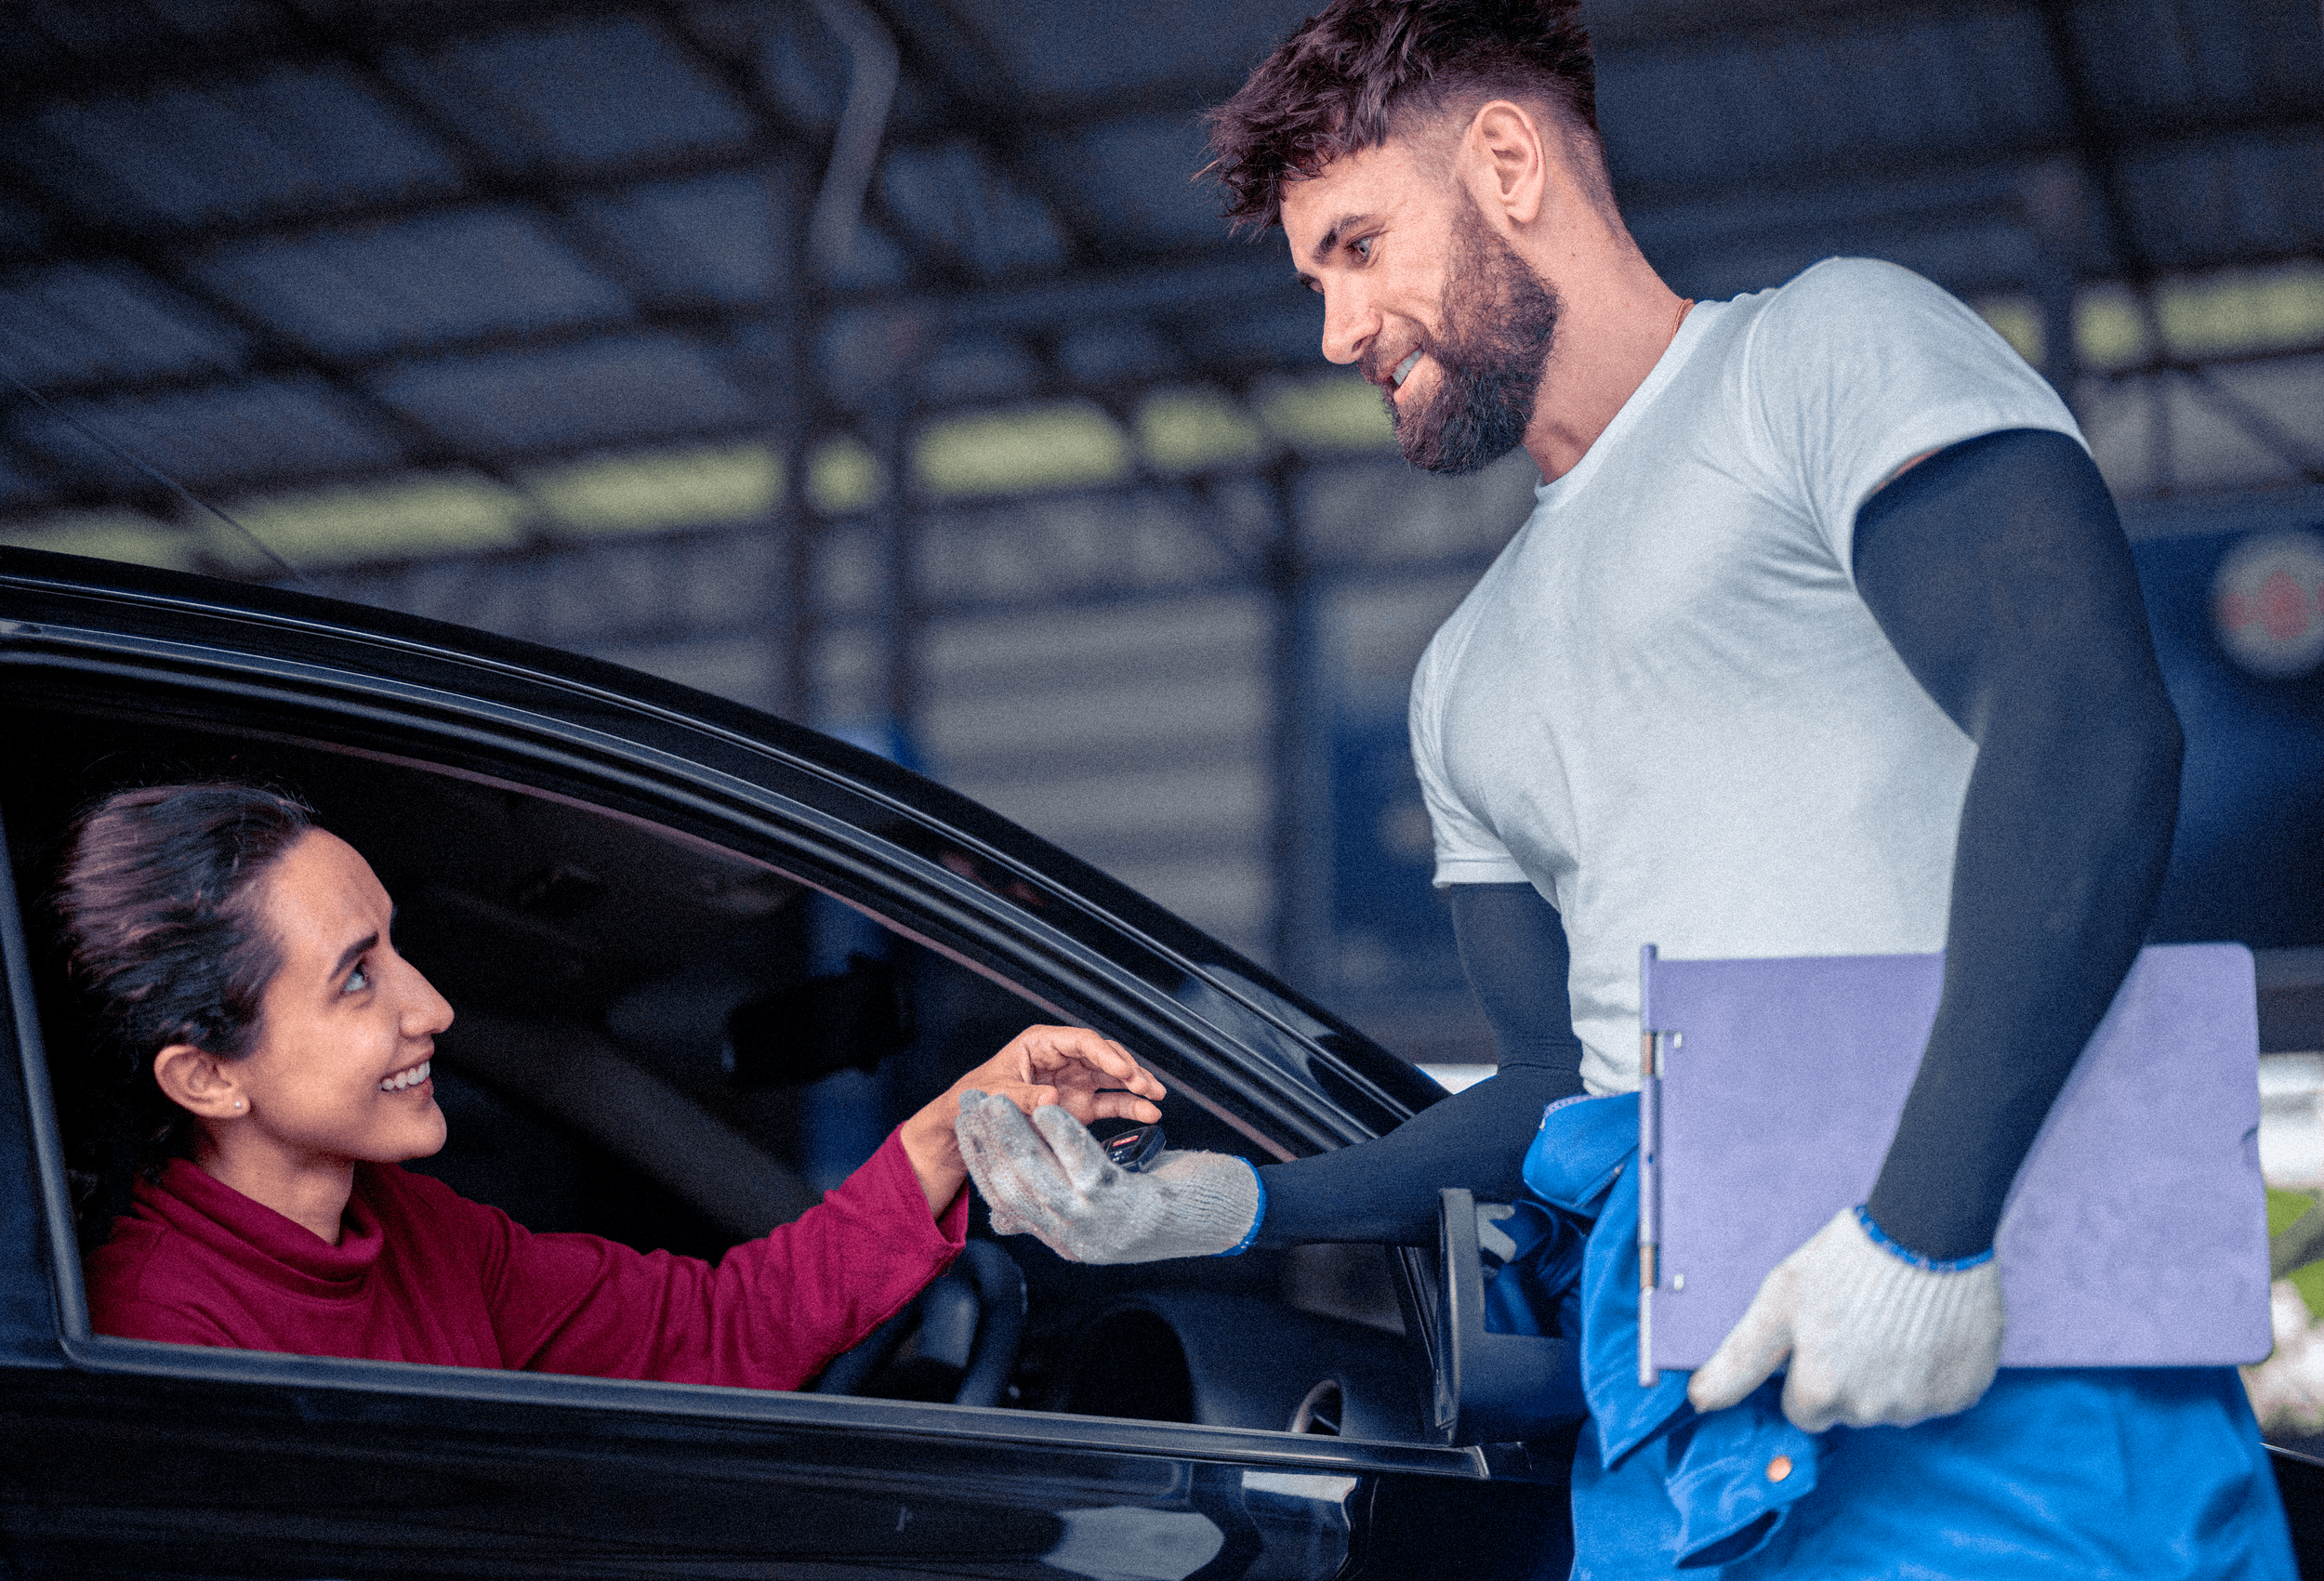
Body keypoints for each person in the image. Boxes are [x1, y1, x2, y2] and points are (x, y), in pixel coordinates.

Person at [956, 1, 2296, 1574]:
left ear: (1509, 161)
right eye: (1316, 274)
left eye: (1360, 245)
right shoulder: (1463, 678)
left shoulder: (1818, 354)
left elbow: (2082, 728)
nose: (1333, 329)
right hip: (1676, 1440)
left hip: (2012, 1372)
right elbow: (1548, 1096)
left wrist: (1924, 1230)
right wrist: (1227, 1204)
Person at [54, 782, 1164, 1388]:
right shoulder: (151, 1335)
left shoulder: (423, 1238)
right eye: (357, 979)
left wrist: (949, 1133)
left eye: (396, 947)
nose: (430, 1006)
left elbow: (728, 1329)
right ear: (206, 1076)